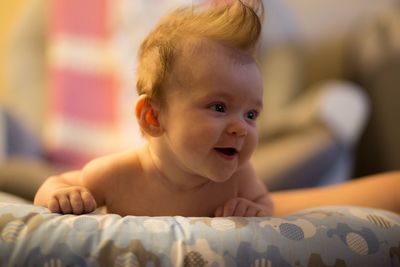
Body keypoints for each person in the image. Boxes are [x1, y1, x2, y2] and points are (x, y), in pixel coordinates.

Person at [34, 0, 275, 217]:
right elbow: (55, 184)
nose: (241, 128)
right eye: (220, 107)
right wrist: (60, 194)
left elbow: (265, 204)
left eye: (251, 114)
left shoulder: (240, 180)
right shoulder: (117, 176)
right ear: (153, 117)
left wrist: (255, 210)